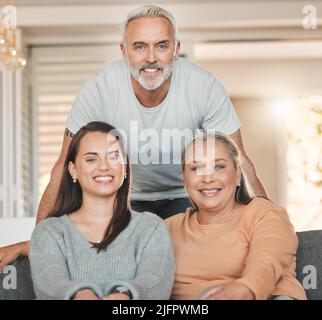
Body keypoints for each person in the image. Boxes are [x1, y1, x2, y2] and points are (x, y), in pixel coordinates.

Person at [0, 5, 267, 269]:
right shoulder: (100, 88)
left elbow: (239, 160)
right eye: (140, 46)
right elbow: (63, 165)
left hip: (185, 196)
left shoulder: (203, 87)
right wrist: (40, 238)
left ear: (175, 49)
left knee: (199, 256)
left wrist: (268, 222)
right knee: (110, 258)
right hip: (124, 197)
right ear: (124, 51)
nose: (151, 57)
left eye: (161, 46)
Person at [29, 121, 175, 300]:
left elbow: (155, 283)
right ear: (73, 170)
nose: (103, 166)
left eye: (113, 157)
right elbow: (49, 284)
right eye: (91, 159)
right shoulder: (48, 231)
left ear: (125, 167)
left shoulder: (151, 227)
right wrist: (81, 294)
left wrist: (124, 296)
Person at [166, 131, 306, 300]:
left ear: (238, 174)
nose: (208, 178)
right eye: (196, 168)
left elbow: (267, 261)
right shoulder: (166, 229)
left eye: (219, 166)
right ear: (184, 179)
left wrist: (245, 289)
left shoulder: (264, 213)